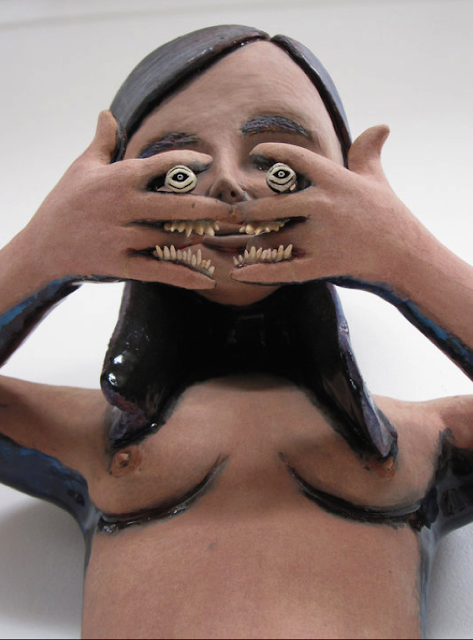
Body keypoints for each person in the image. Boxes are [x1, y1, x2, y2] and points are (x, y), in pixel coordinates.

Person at [1, 24, 473, 639]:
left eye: (278, 163)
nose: (226, 181)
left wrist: (407, 257)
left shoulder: (417, 445)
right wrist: (40, 254)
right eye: (176, 168)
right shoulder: (101, 445)